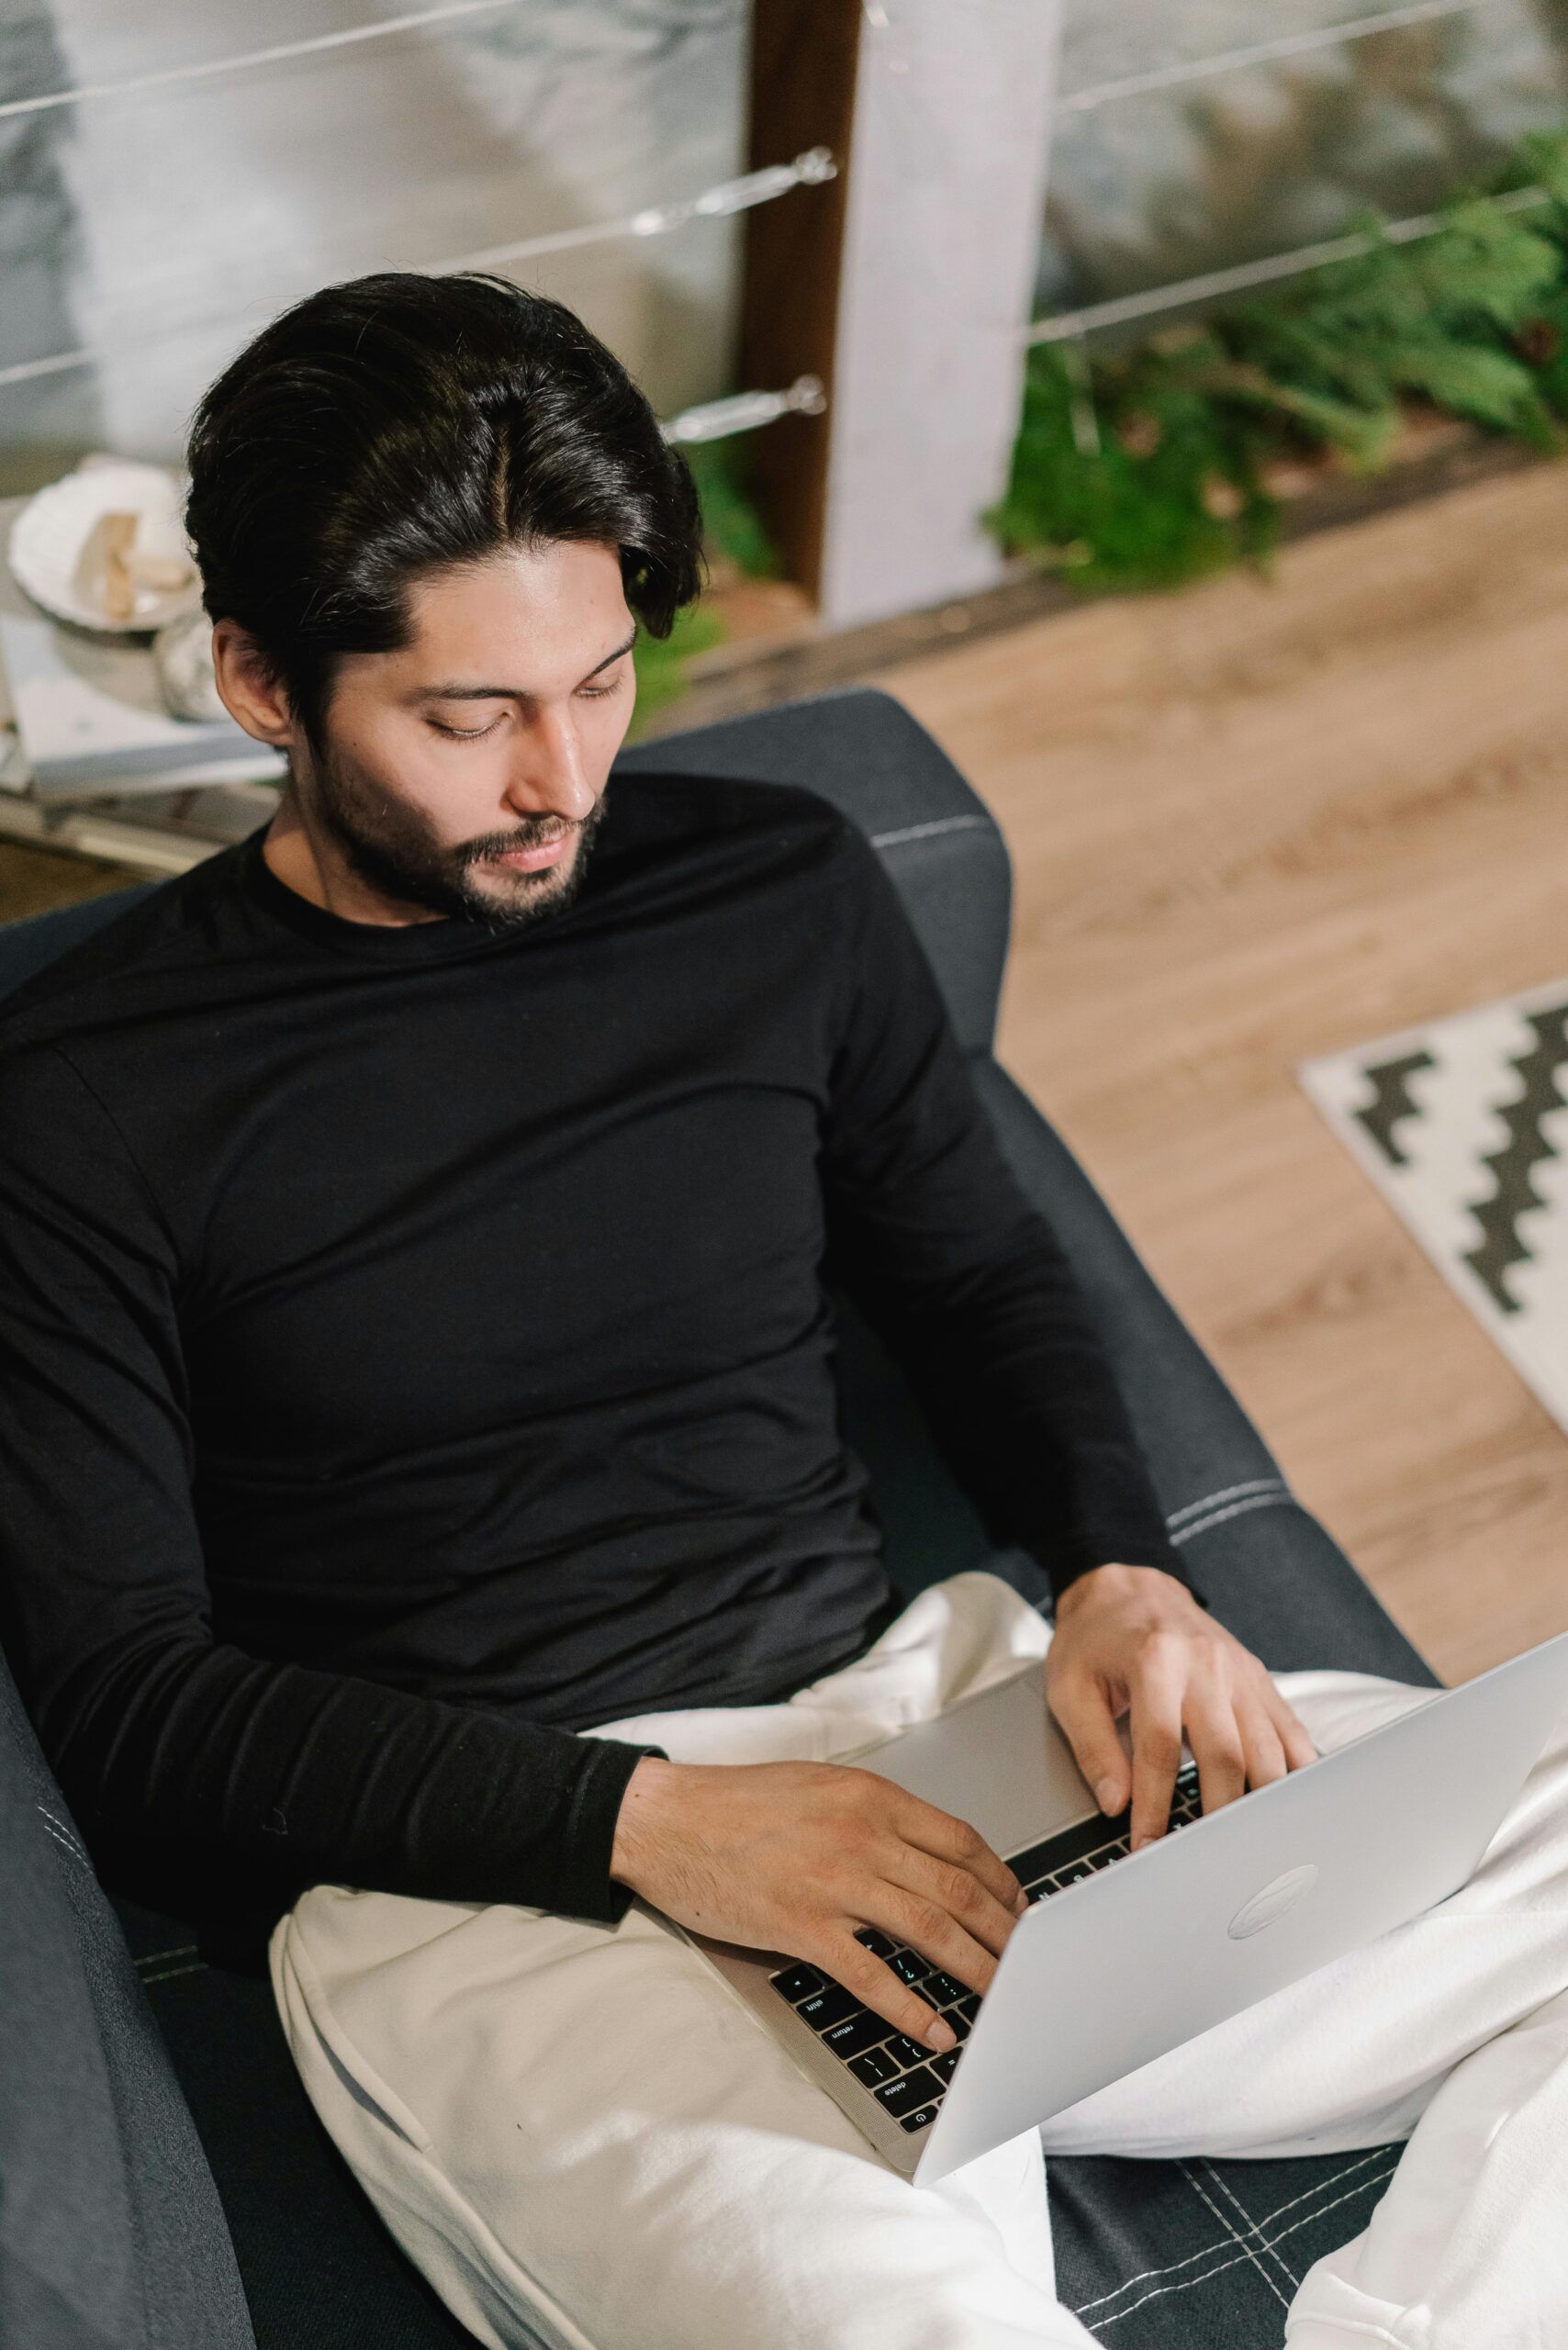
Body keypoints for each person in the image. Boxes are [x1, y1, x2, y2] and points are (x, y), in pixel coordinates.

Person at [1, 274, 1564, 2350]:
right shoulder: (91, 1097)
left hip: (939, 1725)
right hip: (519, 1889)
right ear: (260, 681)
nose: (562, 776)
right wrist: (655, 1827)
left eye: (603, 680)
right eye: (467, 718)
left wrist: (1112, 1570)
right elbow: (125, 1696)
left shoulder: (776, 889)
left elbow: (978, 1268)